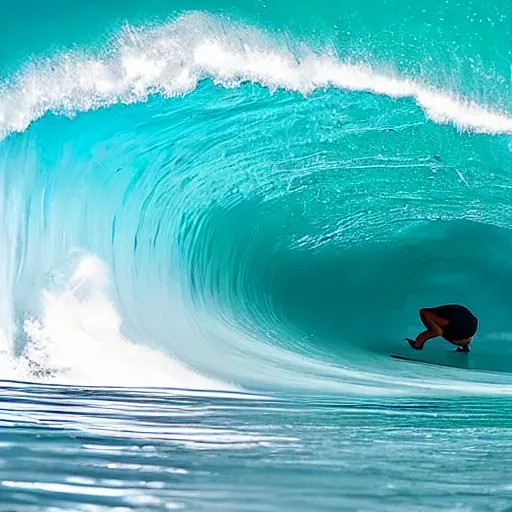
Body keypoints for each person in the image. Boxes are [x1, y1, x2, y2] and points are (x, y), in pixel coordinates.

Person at [406, 305, 478, 353]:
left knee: (437, 330)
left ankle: (417, 345)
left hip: (460, 323)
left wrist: (435, 330)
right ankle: (464, 346)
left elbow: (424, 312)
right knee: (442, 330)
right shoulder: (459, 324)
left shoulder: (448, 323)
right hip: (471, 324)